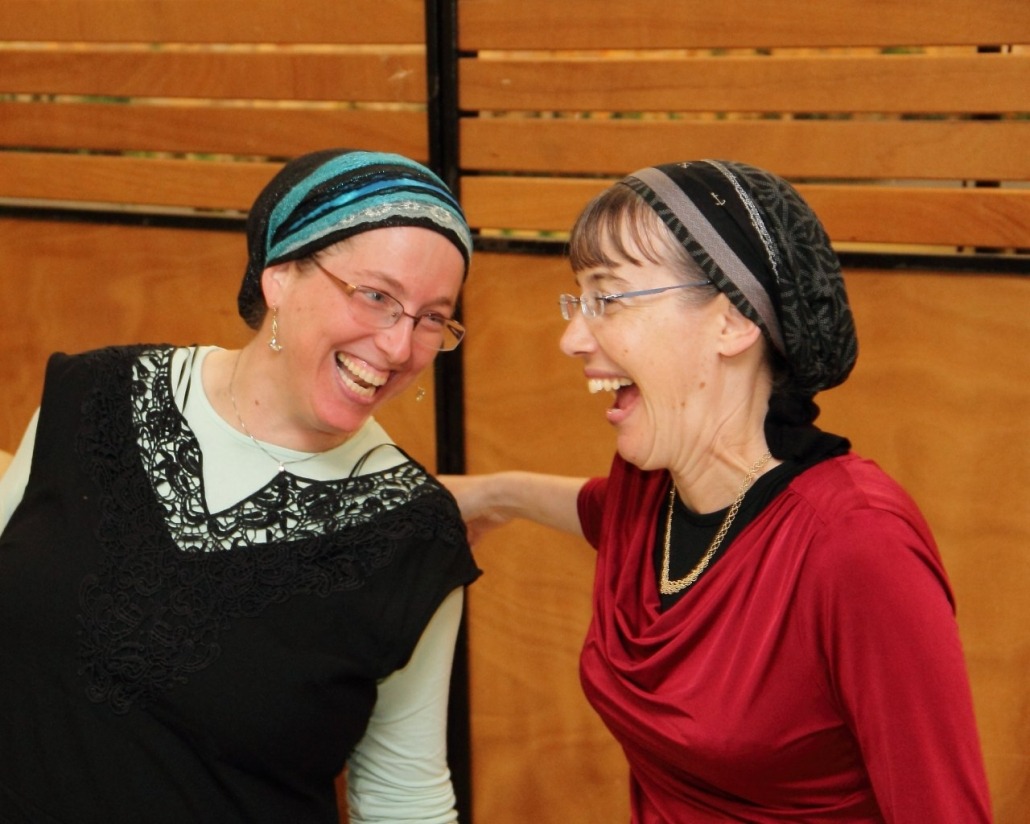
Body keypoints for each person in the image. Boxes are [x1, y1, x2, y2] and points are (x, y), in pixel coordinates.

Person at [443, 160, 993, 822]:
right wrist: (490, 495)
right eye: (578, 301)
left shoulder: (858, 546)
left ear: (732, 320)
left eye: (608, 299)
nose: (572, 338)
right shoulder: (653, 493)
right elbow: (600, 512)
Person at [0, 149, 481, 823]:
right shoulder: (92, 394)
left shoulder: (414, 535)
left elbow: (405, 798)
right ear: (279, 275)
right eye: (377, 296)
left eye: (431, 318)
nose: (400, 348)